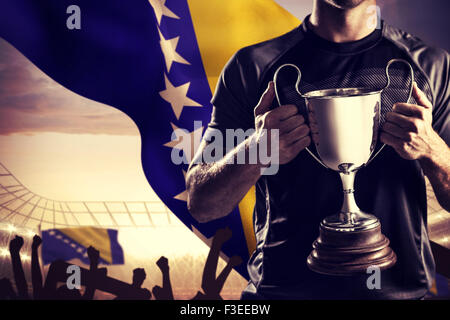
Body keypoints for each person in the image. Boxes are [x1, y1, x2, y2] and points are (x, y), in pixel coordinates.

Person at [186, 0, 449, 299]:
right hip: (281, 294)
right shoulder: (254, 66)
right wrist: (257, 150)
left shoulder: (429, 66)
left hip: (401, 293)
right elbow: (202, 204)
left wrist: (433, 151)